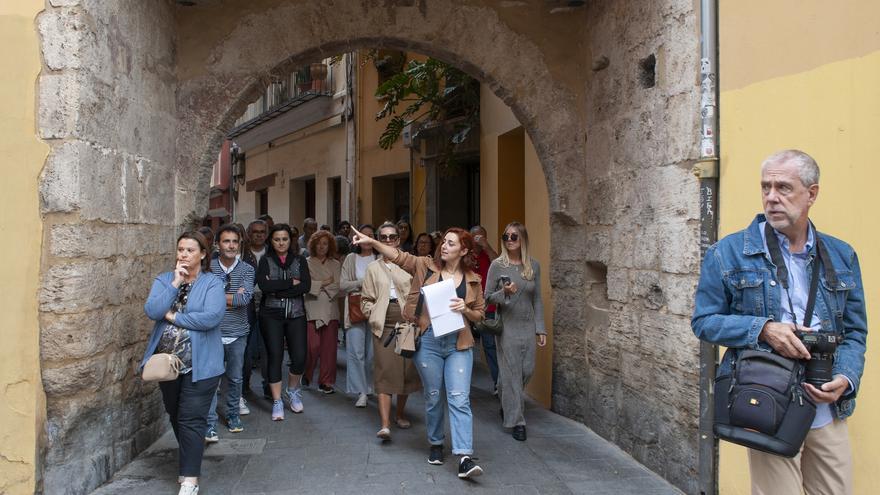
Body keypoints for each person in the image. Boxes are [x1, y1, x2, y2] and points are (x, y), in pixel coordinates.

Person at [692, 150, 867, 495]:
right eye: (766, 187)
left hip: (825, 404)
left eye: (784, 188)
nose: (772, 197)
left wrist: (845, 378)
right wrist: (763, 330)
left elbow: (855, 332)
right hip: (765, 398)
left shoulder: (842, 255)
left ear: (811, 194)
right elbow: (704, 322)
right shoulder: (727, 253)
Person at [352, 224, 486, 479]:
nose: (444, 246)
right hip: (429, 343)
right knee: (434, 396)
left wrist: (465, 310)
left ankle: (464, 456)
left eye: (450, 243)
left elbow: (479, 314)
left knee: (459, 398)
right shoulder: (425, 266)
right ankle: (436, 443)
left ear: (463, 250)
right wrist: (372, 241)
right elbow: (397, 256)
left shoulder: (473, 279)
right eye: (443, 241)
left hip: (459, 344)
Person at [140, 231, 225, 495]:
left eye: (190, 250)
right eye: (180, 250)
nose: (184, 255)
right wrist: (176, 282)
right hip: (168, 365)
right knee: (175, 413)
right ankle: (191, 456)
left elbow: (210, 318)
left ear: (202, 254)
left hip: (203, 364)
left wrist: (174, 317)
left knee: (191, 417)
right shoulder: (165, 280)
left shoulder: (212, 283)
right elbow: (153, 311)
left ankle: (190, 479)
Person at [485, 222, 547, 441]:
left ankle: (506, 398)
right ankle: (517, 422)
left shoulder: (533, 266)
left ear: (523, 239)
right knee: (512, 372)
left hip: (528, 324)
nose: (509, 240)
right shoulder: (497, 265)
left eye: (514, 236)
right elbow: (487, 298)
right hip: (506, 325)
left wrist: (541, 329)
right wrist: (504, 291)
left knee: (526, 370)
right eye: (506, 236)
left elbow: (537, 299)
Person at [360, 222, 421, 441]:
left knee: (405, 370)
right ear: (377, 240)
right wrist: (372, 312)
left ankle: (400, 413)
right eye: (383, 237)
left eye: (391, 237)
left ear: (398, 239)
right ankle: (385, 424)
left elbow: (419, 292)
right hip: (383, 322)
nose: (387, 241)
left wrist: (415, 314)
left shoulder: (409, 264)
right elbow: (365, 299)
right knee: (384, 371)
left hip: (406, 322)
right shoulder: (372, 268)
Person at [257, 224, 312, 420]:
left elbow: (305, 286)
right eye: (277, 239)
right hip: (271, 315)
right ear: (271, 241)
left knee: (299, 356)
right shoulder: (265, 260)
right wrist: (290, 283)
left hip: (296, 314)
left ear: (291, 241)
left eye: (285, 239)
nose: (281, 243)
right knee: (275, 356)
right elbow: (263, 286)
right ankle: (277, 400)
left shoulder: (300, 260)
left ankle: (292, 389)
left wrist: (276, 288)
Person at [205, 225, 255, 441]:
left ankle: (233, 415)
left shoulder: (247, 270)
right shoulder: (208, 268)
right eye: (226, 241)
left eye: (235, 241)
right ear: (218, 244)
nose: (231, 245)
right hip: (211, 332)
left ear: (240, 244)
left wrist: (216, 297)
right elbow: (202, 299)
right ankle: (209, 424)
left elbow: (244, 299)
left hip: (237, 333)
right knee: (209, 380)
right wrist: (231, 296)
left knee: (234, 378)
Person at [339, 224, 378, 408]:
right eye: (364, 235)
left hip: (377, 310)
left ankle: (370, 386)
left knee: (372, 354)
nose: (367, 238)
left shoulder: (380, 258)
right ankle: (361, 391)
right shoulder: (350, 258)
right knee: (356, 352)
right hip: (354, 309)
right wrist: (365, 283)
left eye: (371, 235)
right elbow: (343, 285)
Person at [304, 230, 342, 393]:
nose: (322, 246)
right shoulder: (305, 262)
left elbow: (338, 286)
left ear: (330, 246)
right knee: (312, 347)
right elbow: (306, 286)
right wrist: (326, 282)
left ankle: (326, 382)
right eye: (319, 243)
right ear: (313, 245)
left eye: (325, 243)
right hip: (311, 308)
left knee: (329, 349)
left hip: (331, 309)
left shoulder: (336, 264)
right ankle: (306, 373)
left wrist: (317, 284)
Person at [469, 225, 500, 394]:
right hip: (467, 306)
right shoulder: (465, 255)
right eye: (476, 237)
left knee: (490, 345)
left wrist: (487, 247)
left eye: (482, 236)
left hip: (489, 306)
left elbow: (499, 264)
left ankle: (498, 383)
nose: (479, 240)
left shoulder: (489, 255)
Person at [241, 220, 269, 403]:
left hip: (268, 302)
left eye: (262, 232)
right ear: (249, 234)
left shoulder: (272, 253)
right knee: (247, 348)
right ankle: (244, 385)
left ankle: (269, 387)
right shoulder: (243, 254)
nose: (259, 235)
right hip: (246, 304)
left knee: (268, 348)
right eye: (255, 232)